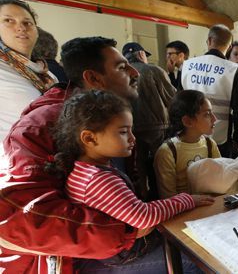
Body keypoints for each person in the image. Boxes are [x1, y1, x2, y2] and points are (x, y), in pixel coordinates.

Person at [0, 36, 145, 273]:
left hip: (113, 246)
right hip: (78, 258)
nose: (135, 72)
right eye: (121, 67)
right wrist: (125, 229)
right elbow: (16, 216)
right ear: (93, 78)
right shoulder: (39, 126)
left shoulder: (110, 117)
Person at [50, 90, 213, 272]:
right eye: (123, 132)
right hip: (115, 260)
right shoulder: (98, 179)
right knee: (197, 261)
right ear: (89, 138)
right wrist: (188, 200)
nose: (133, 139)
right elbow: (144, 217)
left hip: (108, 254)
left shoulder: (83, 168)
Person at [181, 24, 238, 158]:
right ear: (229, 46)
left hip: (189, 135)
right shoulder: (232, 69)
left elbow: (177, 102)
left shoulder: (187, 65)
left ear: (209, 41)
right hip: (219, 138)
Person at [122, 41, 176, 200]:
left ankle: (143, 199)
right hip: (157, 127)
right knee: (161, 165)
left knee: (138, 167)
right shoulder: (154, 70)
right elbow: (172, 98)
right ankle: (164, 199)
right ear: (140, 54)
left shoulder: (120, 74)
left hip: (129, 129)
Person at [0, 0, 56, 149]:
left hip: (48, 161)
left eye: (27, 22)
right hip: (13, 165)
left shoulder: (47, 75)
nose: (20, 28)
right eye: (9, 20)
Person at [154, 90, 221, 198]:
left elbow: (220, 178)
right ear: (187, 121)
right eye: (207, 114)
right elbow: (169, 198)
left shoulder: (210, 144)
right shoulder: (167, 152)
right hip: (183, 211)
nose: (215, 119)